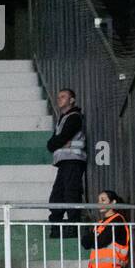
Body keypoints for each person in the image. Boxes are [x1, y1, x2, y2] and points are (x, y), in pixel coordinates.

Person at [46, 88, 86, 236]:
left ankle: (72, 226)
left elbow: (59, 139)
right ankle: (56, 226)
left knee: (70, 193)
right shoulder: (63, 118)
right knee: (58, 194)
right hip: (65, 162)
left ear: (72, 100)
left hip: (73, 160)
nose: (59, 99)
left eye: (63, 96)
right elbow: (51, 144)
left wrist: (59, 142)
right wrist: (59, 142)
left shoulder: (74, 117)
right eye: (58, 97)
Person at [82, 190, 131, 268]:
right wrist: (94, 237)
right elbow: (85, 243)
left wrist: (93, 237)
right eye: (99, 200)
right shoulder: (100, 223)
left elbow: (101, 241)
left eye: (103, 200)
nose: (100, 203)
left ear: (113, 202)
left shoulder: (118, 220)